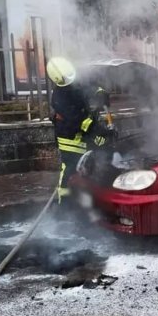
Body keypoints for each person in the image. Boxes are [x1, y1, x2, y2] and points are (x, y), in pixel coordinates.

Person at [46, 57, 115, 208]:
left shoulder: (74, 77)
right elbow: (78, 121)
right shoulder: (59, 97)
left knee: (100, 152)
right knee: (70, 166)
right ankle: (63, 203)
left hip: (84, 127)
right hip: (68, 135)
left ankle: (96, 195)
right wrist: (100, 131)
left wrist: (100, 93)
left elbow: (89, 86)